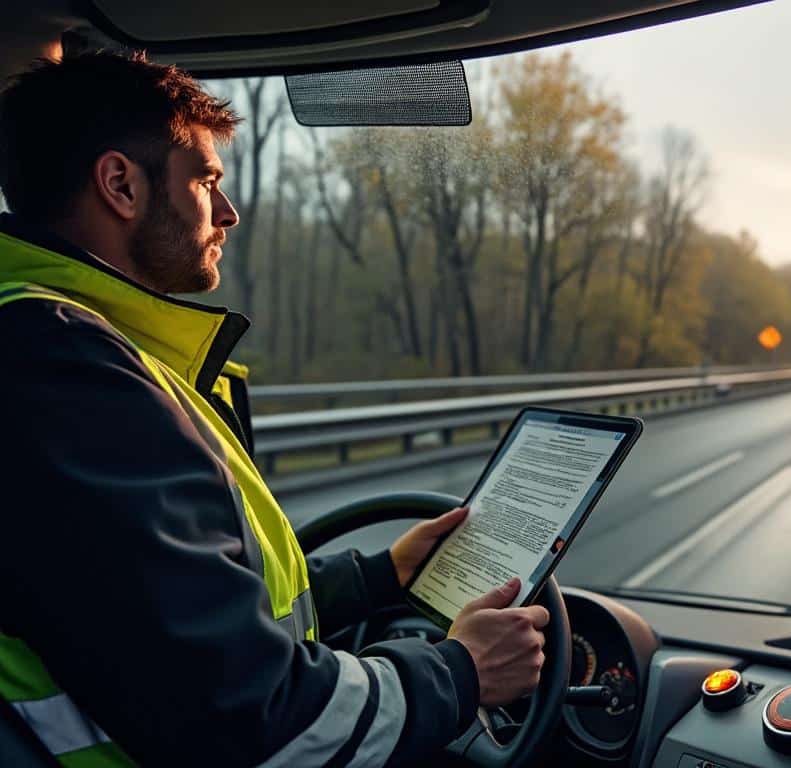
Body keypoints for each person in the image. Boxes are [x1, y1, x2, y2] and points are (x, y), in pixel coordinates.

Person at [0, 50, 548, 767]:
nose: (227, 211)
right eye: (205, 181)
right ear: (120, 185)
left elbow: (168, 611)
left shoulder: (78, 349)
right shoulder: (62, 369)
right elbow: (257, 721)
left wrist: (377, 578)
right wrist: (461, 674)